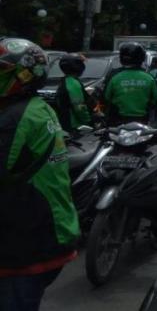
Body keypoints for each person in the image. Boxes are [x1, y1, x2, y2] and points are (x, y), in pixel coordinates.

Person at [0, 38, 79, 311]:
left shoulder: (15, 118)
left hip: (25, 241)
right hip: (44, 230)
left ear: (22, 74)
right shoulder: (37, 106)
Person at [104, 43, 157, 125]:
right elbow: (155, 99)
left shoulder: (115, 77)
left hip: (118, 121)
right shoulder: (149, 78)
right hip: (142, 121)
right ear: (142, 57)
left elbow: (107, 97)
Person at [54, 54, 94, 133]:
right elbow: (79, 107)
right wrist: (89, 120)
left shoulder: (66, 80)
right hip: (75, 125)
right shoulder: (72, 83)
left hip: (65, 123)